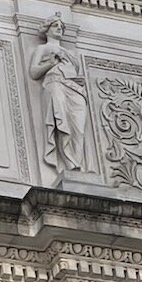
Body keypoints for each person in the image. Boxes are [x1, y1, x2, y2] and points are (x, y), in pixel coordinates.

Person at [27, 16, 88, 173]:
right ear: (47, 29)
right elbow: (33, 72)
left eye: (61, 26)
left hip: (74, 89)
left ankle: (77, 160)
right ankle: (69, 163)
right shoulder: (43, 49)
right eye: (55, 25)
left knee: (78, 129)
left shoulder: (70, 53)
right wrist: (51, 64)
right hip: (55, 84)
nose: (59, 28)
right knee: (62, 123)